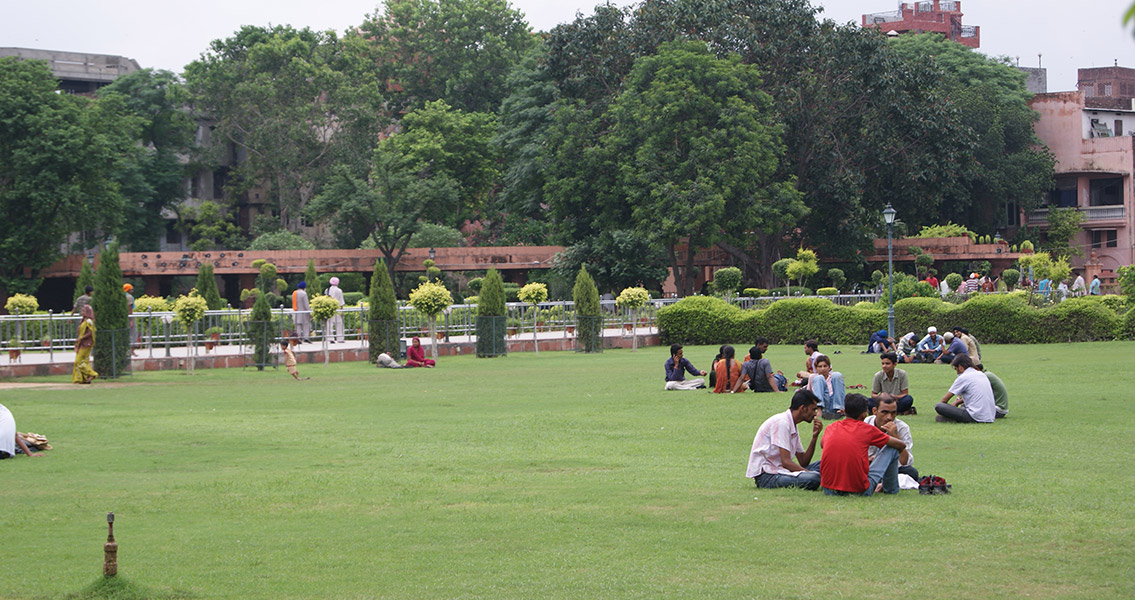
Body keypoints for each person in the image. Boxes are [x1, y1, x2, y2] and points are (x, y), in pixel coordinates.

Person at [818, 393, 906, 496]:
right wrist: (894, 434)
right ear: (864, 415)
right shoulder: (867, 429)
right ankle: (891, 490)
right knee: (892, 449)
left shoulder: (831, 427)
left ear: (844, 411)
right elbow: (900, 445)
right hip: (858, 491)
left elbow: (822, 445)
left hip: (828, 490)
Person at [745, 389, 823, 490]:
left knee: (827, 463)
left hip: (782, 471)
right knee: (814, 478)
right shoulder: (782, 423)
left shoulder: (792, 424)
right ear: (803, 408)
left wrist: (814, 437)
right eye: (813, 409)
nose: (815, 414)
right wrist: (808, 473)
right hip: (769, 476)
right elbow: (786, 462)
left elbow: (803, 461)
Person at [864, 395, 917, 480]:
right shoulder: (865, 424)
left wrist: (895, 436)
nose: (889, 417)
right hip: (868, 465)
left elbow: (906, 462)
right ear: (875, 411)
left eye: (893, 413)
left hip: (891, 468)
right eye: (884, 412)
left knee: (911, 472)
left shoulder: (902, 427)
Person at [935, 355, 996, 423]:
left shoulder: (963, 377)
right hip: (990, 416)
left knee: (939, 406)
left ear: (960, 367)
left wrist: (945, 412)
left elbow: (944, 400)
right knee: (963, 406)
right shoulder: (981, 374)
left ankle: (951, 419)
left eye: (956, 369)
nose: (957, 372)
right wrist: (957, 402)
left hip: (975, 417)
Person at [808, 355, 845, 420]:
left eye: (825, 366)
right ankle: (819, 409)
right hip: (822, 404)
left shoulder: (833, 377)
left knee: (837, 375)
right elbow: (808, 393)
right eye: (820, 366)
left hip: (833, 403)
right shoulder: (813, 378)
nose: (823, 369)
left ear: (829, 367)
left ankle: (839, 409)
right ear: (816, 368)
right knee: (819, 378)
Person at [72, 304, 98, 384]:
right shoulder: (83, 320)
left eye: (83, 311)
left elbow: (90, 333)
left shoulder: (88, 321)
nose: (82, 312)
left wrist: (81, 338)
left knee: (78, 361)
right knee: (85, 361)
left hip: (86, 344)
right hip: (82, 343)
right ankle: (85, 378)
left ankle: (92, 374)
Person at [325, 277, 346, 343]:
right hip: (337, 309)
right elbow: (341, 301)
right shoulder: (339, 290)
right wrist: (341, 311)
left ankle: (330, 338)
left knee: (329, 324)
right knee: (339, 324)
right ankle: (340, 338)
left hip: (329, 309)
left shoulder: (327, 290)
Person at [123, 283, 137, 356]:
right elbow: (130, 308)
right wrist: (131, 320)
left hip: (123, 317)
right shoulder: (129, 297)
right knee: (133, 333)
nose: (132, 290)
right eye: (131, 289)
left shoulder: (122, 296)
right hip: (129, 316)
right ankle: (132, 351)